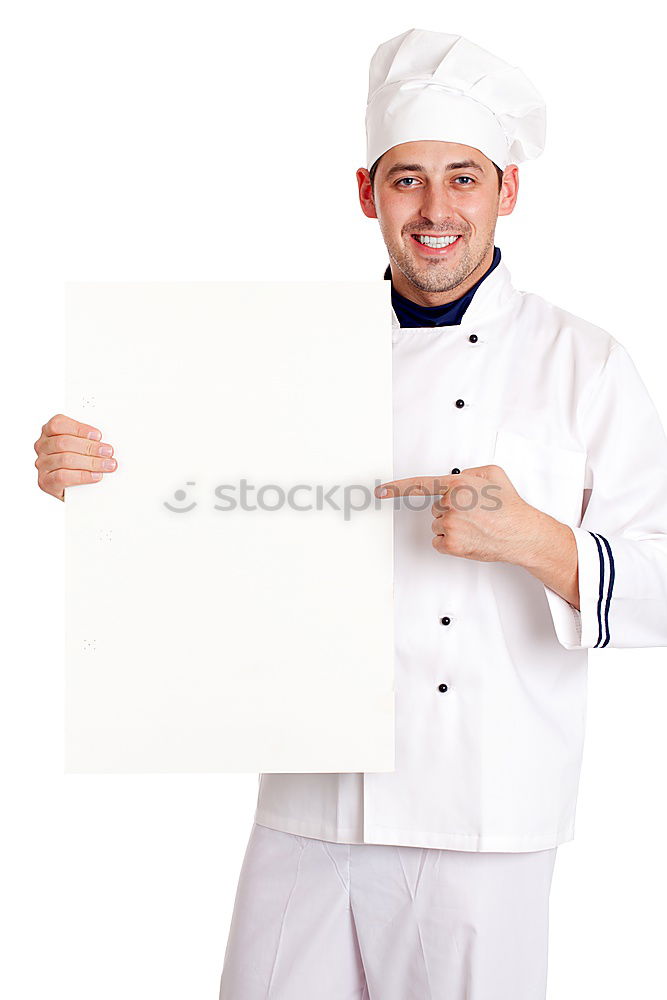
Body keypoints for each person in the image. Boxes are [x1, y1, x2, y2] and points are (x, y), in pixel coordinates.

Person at [34, 27, 667, 1000]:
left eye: (463, 177)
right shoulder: (290, 359)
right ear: (366, 194)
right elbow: (208, 509)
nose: (436, 209)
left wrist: (540, 542)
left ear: (507, 188)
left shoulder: (584, 362)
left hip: (484, 820)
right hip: (305, 802)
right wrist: (88, 474)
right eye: (406, 179)